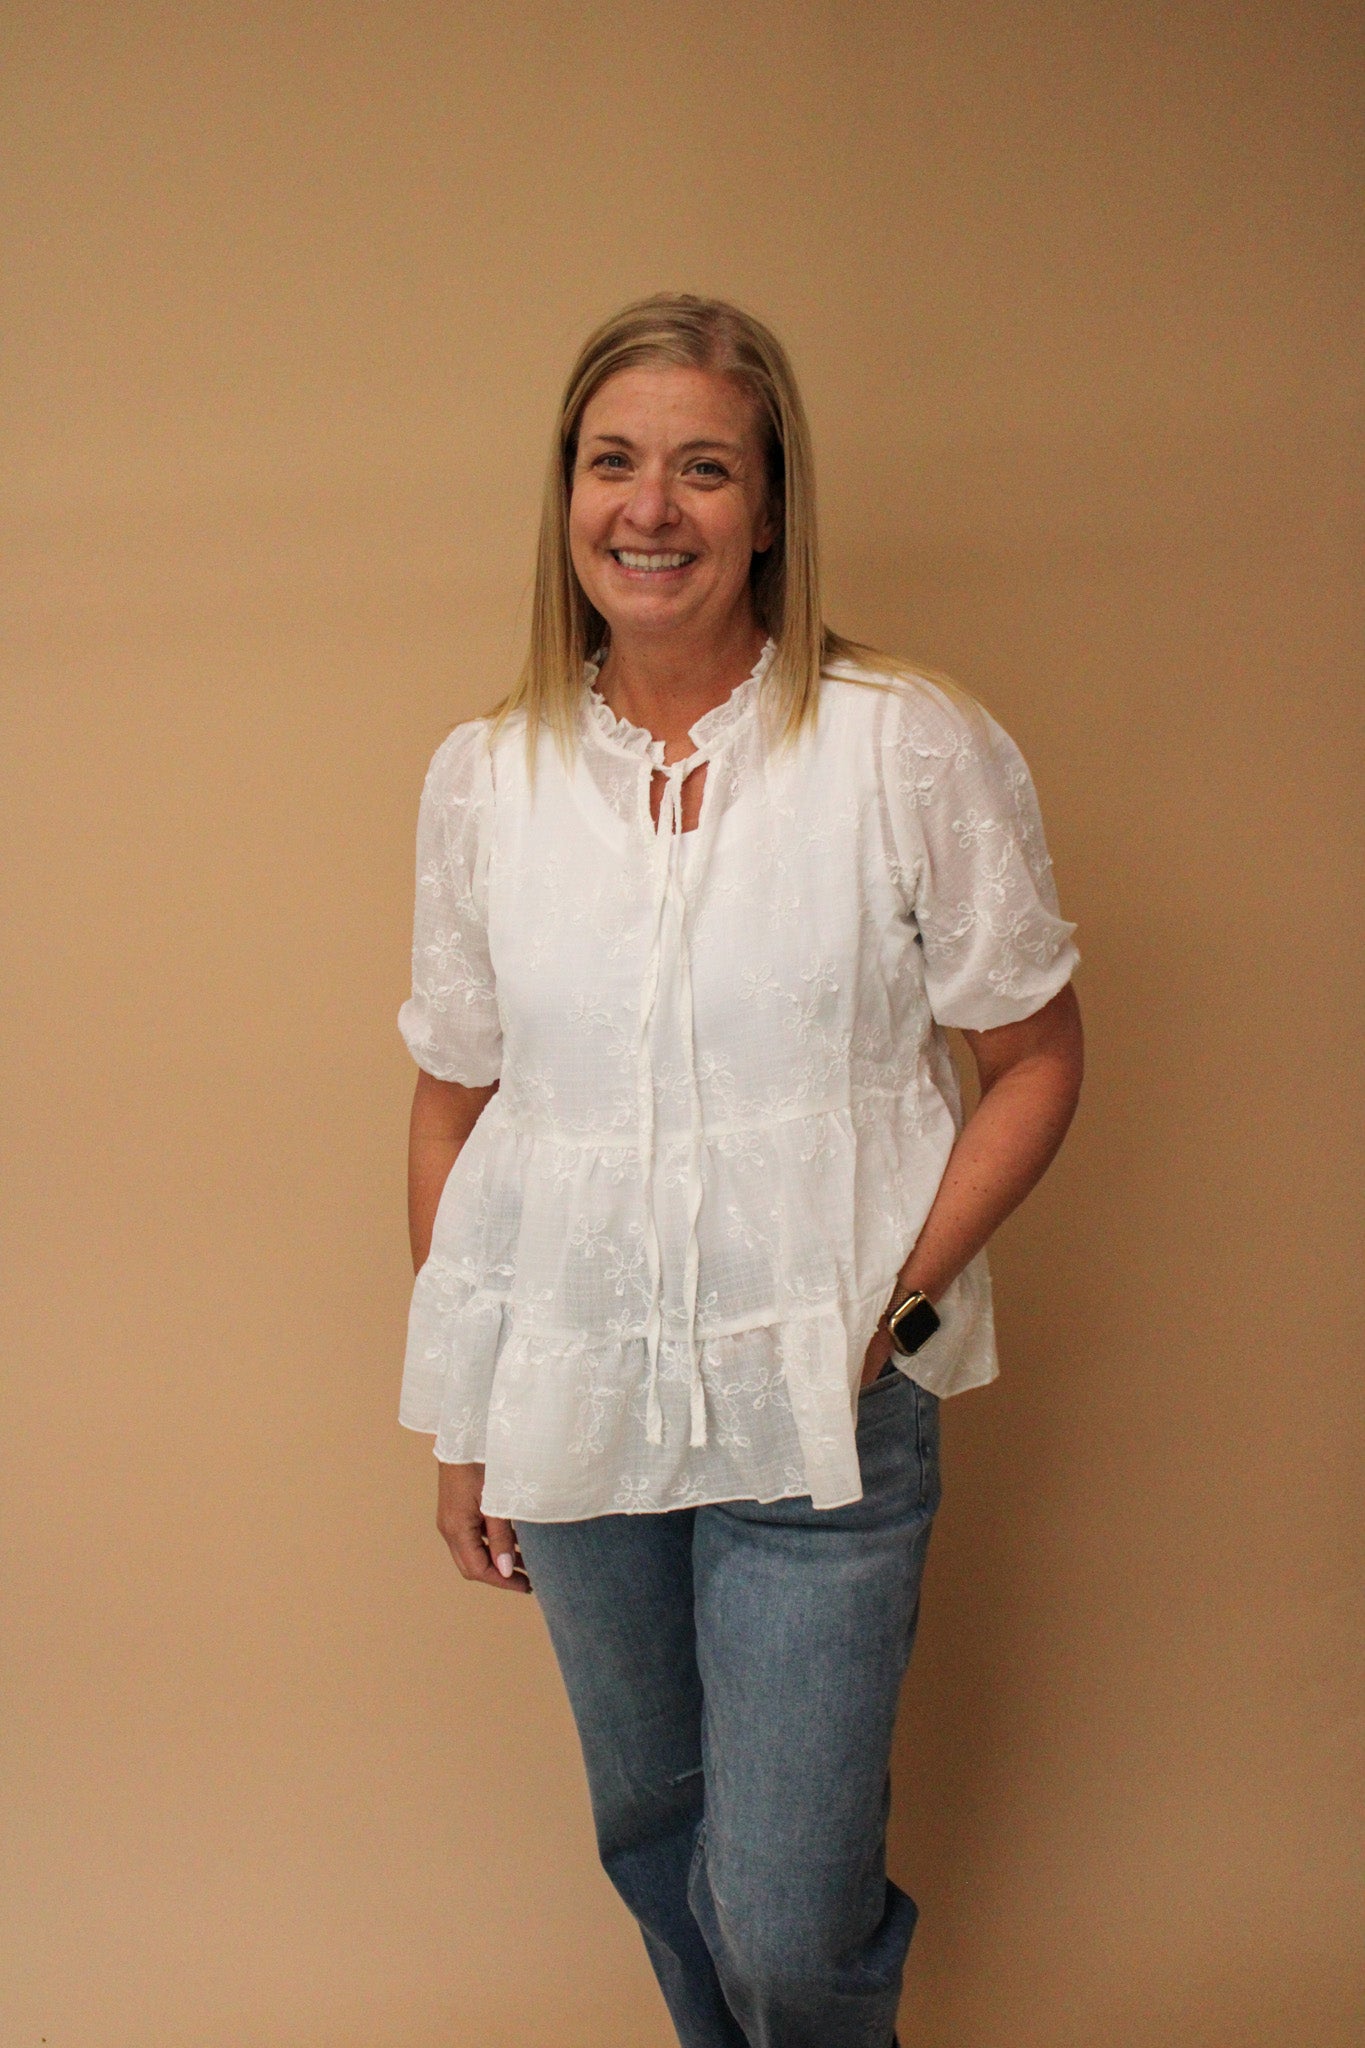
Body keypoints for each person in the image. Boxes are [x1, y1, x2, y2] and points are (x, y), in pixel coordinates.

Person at [398, 293, 1084, 2048]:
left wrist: (896, 1304)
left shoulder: (899, 744)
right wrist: (466, 1415)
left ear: (769, 507)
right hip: (576, 1401)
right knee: (655, 1844)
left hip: (819, 1405)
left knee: (781, 1915)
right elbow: (455, 1106)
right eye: (613, 462)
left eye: (703, 469)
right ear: (565, 494)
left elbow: (1034, 1058)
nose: (651, 508)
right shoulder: (485, 778)